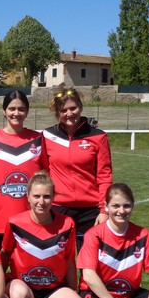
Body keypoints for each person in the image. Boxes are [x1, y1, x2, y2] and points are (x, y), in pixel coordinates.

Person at [1, 171, 89, 298]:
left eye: (47, 196)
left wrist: (73, 290)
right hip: (24, 287)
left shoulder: (67, 224)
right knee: (18, 297)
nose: (41, 202)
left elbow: (70, 260)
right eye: (36, 196)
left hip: (54, 289)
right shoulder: (14, 222)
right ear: (28, 196)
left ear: (54, 197)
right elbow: (4, 254)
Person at [41, 88, 112, 251]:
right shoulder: (47, 136)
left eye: (73, 108)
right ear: (57, 112)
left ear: (80, 107)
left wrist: (104, 210)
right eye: (63, 110)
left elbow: (104, 176)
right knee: (57, 260)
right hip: (58, 208)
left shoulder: (98, 137)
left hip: (91, 210)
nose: (69, 114)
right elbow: (44, 171)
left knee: (90, 262)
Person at [0, 90, 43, 248]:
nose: (16, 113)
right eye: (12, 109)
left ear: (27, 112)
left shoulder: (38, 140)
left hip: (30, 217)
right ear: (4, 111)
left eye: (21, 109)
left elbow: (46, 173)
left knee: (25, 269)